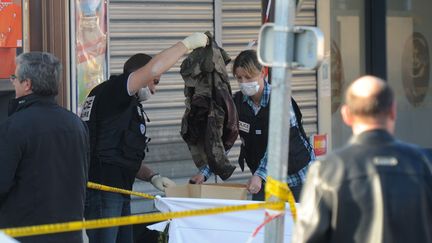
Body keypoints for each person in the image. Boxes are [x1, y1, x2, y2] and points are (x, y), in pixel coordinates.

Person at [82, 32, 208, 243]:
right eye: (154, 82)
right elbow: (153, 68)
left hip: (119, 191)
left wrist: (152, 176)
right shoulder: (113, 91)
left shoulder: (125, 106)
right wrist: (185, 45)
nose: (154, 89)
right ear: (138, 75)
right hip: (103, 191)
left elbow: (122, 155)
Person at [293, 76, 432, 243]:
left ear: (346, 115)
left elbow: (307, 238)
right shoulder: (424, 164)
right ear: (393, 111)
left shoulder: (326, 170)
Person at [190, 49, 315, 201]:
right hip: (265, 179)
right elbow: (225, 142)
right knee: (260, 221)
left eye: (248, 77)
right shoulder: (236, 103)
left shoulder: (280, 100)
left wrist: (259, 175)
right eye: (239, 78)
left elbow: (279, 144)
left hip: (297, 178)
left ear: (263, 72)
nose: (243, 83)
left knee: (297, 224)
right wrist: (205, 172)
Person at [0, 52, 89, 243]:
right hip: (70, 234)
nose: (12, 83)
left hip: (24, 235)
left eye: (14, 78)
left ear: (27, 84)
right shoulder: (76, 124)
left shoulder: (14, 126)